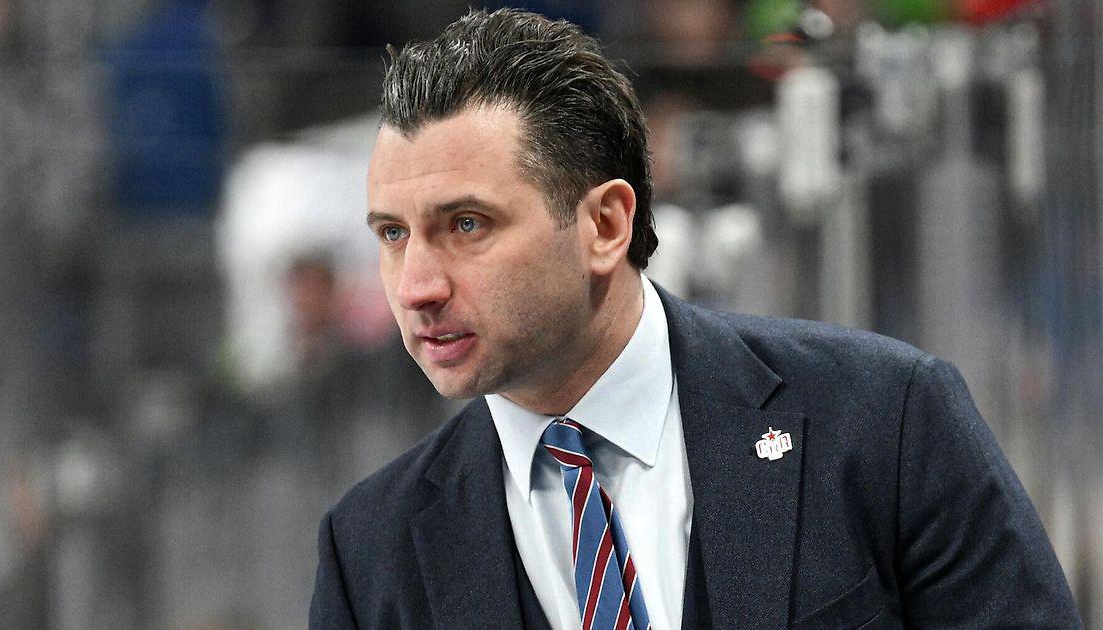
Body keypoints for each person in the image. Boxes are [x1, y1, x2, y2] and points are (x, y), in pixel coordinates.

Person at [309, 8, 1082, 629]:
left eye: (467, 224)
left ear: (606, 225)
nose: (415, 286)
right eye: (392, 234)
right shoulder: (368, 549)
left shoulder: (885, 418)